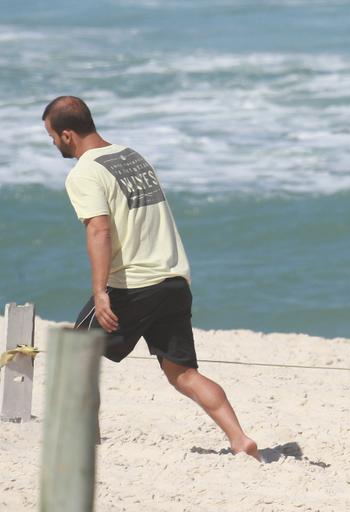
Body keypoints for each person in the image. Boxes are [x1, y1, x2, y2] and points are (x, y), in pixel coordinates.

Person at [42, 96, 260, 460]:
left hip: (133, 285)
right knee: (183, 373)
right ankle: (240, 439)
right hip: (174, 280)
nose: (52, 143)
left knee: (75, 357)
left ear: (67, 135)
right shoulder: (131, 156)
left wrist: (100, 291)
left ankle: (82, 446)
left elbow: (99, 229)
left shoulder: (84, 172)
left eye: (51, 136)